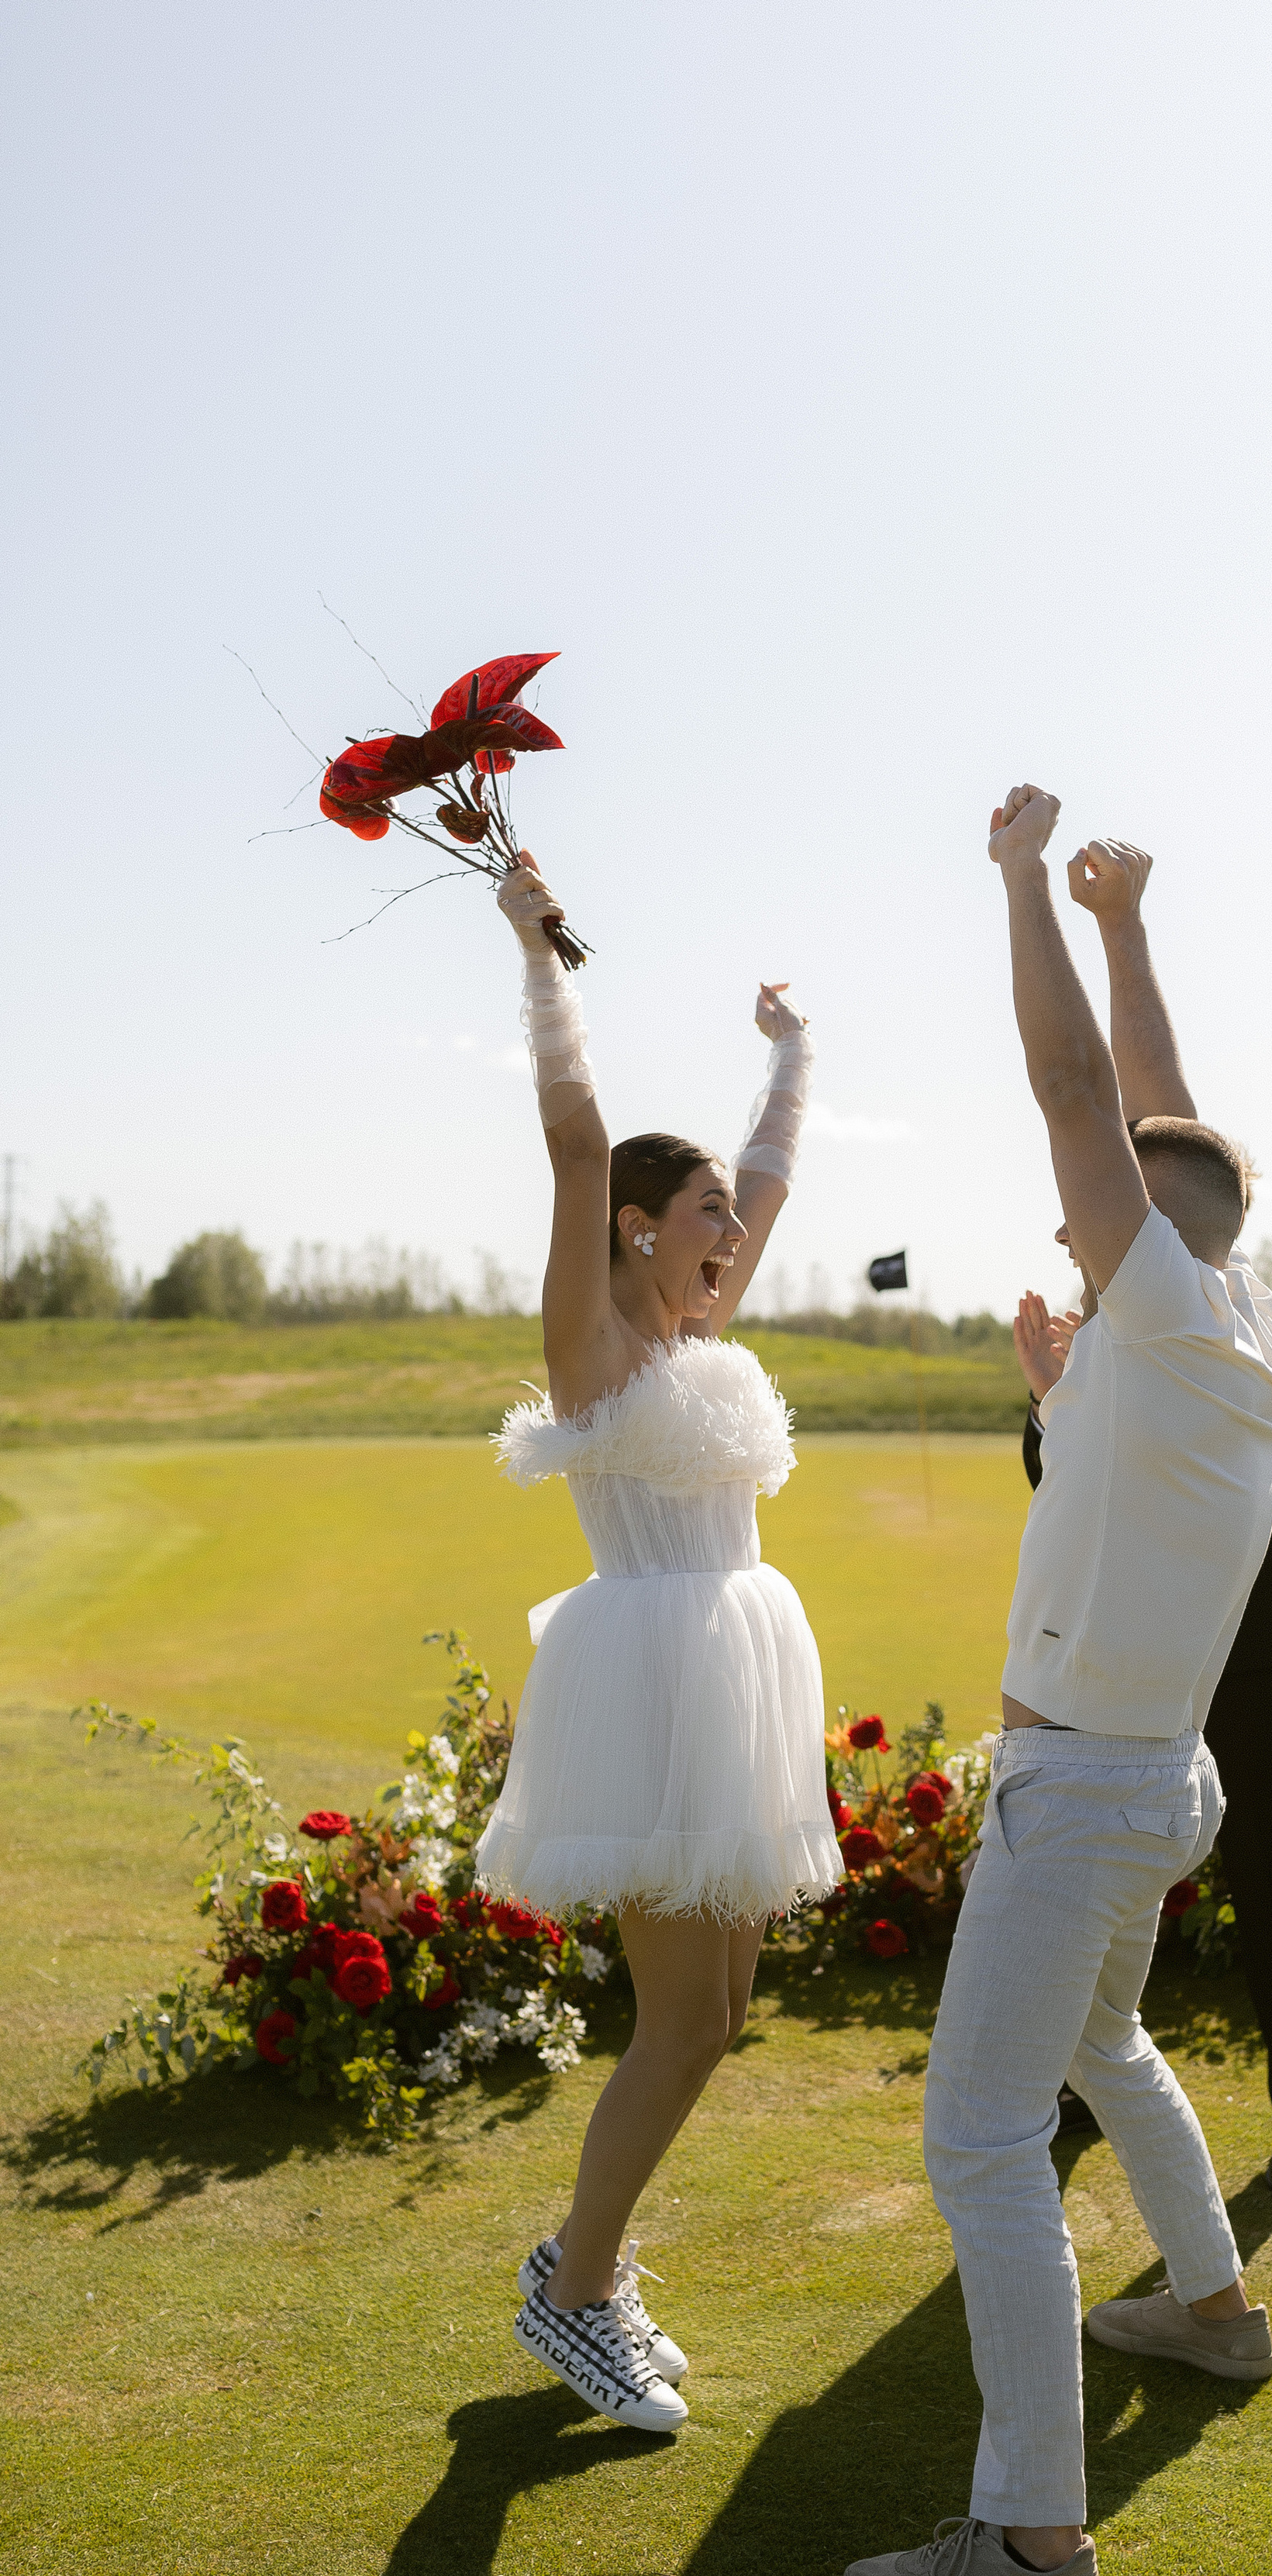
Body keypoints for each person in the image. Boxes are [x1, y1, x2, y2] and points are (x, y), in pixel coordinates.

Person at [843, 788, 1272, 2576]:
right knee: (1106, 2043)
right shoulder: (1227, 1316)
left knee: (976, 2142)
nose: (1073, 1227)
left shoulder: (1179, 1309)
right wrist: (1128, 931)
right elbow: (1170, 1128)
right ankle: (1207, 2305)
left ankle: (1031, 2544)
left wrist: (1025, 884)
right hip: (1147, 1777)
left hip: (1085, 1787)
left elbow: (1081, 1105)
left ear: (1149, 1238)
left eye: (1097, 1222)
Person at [478, 856, 840, 2434]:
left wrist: (787, 1052)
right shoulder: (597, 1340)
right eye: (701, 1220)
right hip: (649, 1679)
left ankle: (590, 2264)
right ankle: (570, 2295)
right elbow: (570, 1137)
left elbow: (766, 1172)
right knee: (676, 2016)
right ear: (633, 1230)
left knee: (711, 2019)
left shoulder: (688, 1322)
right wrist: (536, 949)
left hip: (736, 1664)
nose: (731, 1237)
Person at [1015, 1131, 1272, 2200]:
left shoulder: (1264, 1335)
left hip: (1240, 1644)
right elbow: (1053, 1480)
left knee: (1264, 1871)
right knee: (1103, 1877)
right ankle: (1082, 2083)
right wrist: (1056, 1389)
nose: (1075, 1228)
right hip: (1125, 1649)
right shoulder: (1094, 1336)